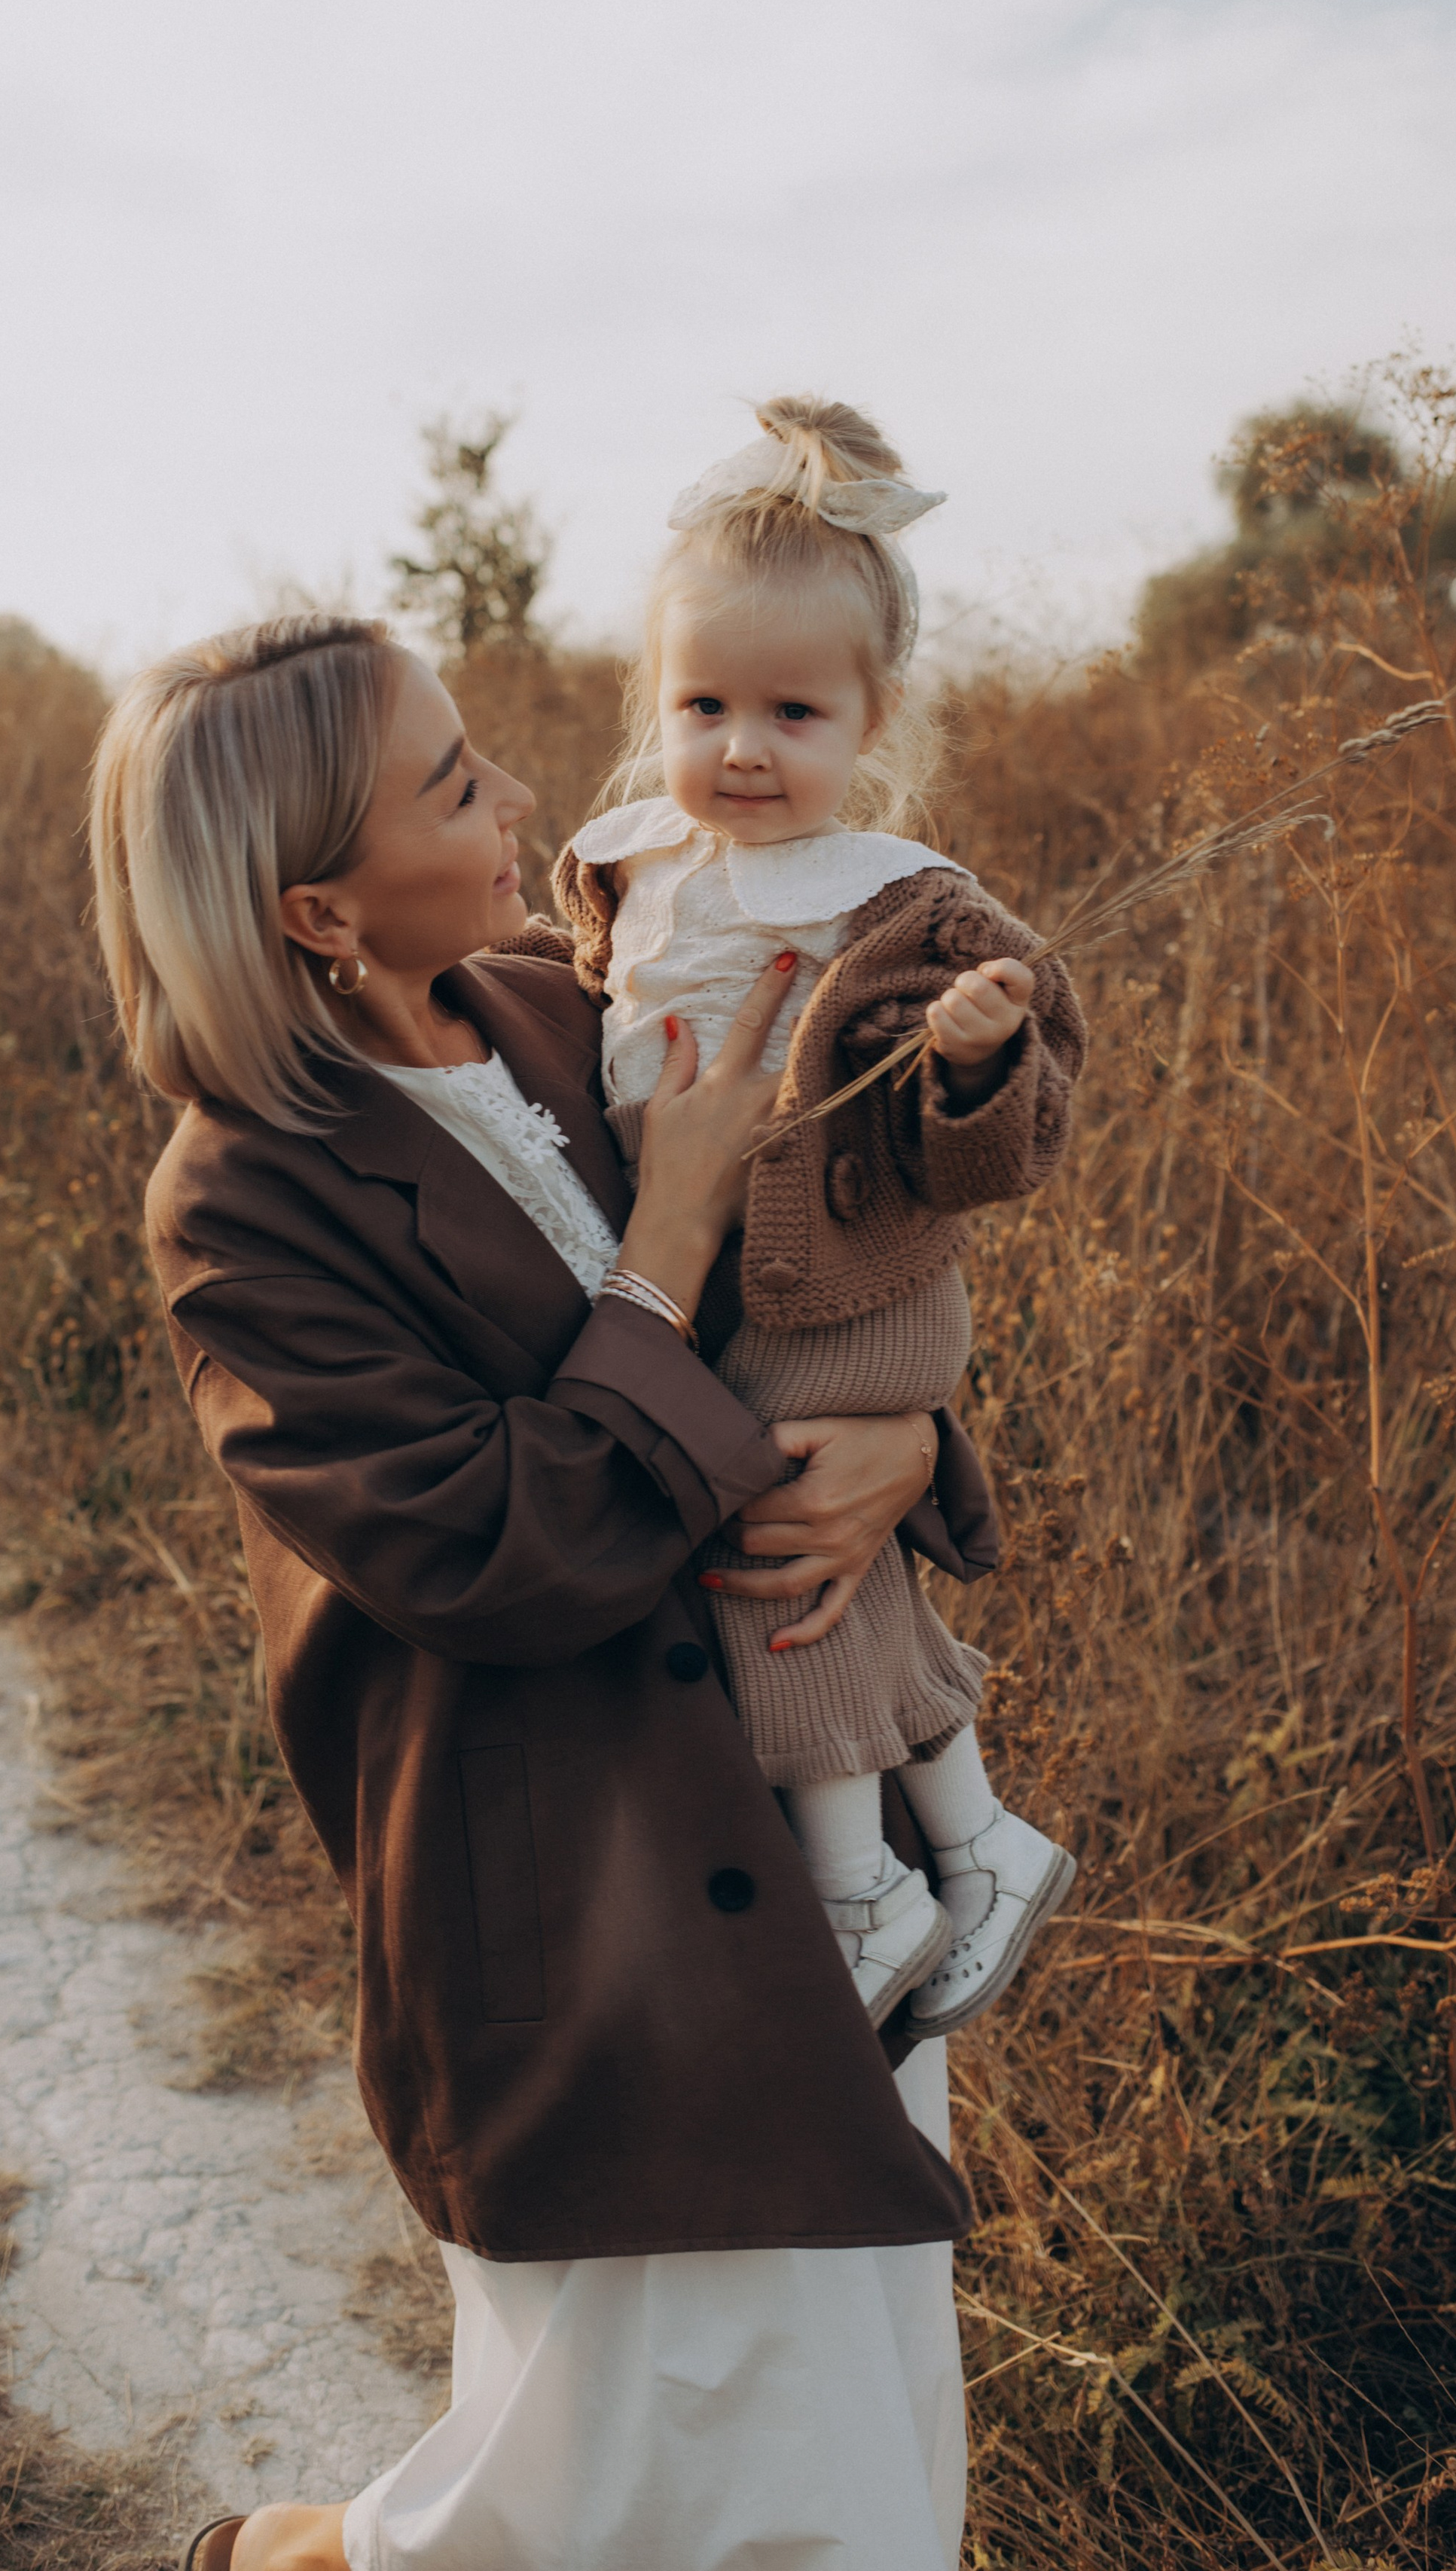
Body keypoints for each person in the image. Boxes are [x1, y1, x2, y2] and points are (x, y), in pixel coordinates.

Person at [89, 613, 1013, 2571]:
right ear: (317, 908)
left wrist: (912, 1447)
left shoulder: (552, 1007)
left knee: (847, 2451)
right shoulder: (242, 1196)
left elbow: (823, 1286)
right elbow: (492, 1549)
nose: (520, 797)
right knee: (639, 2502)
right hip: (590, 1911)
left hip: (803, 1842)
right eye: (452, 782)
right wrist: (660, 1240)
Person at [554, 395, 1085, 2037]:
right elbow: (600, 1007)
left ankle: (864, 1890)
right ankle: (969, 1845)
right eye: (701, 702)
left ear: (872, 717)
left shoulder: (904, 900)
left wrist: (975, 1061)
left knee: (772, 1562)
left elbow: (1009, 1144)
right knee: (811, 1564)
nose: (740, 748)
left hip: (845, 1288)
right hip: (720, 1286)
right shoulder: (637, 861)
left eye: (793, 711)